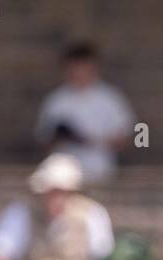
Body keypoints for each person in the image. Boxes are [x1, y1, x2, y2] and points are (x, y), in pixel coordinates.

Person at [34, 42, 134, 182]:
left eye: (84, 67)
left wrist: (93, 141)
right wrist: (60, 137)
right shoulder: (56, 101)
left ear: (94, 67)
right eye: (75, 67)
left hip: (100, 172)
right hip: (64, 177)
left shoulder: (110, 98)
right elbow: (43, 139)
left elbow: (126, 136)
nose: (79, 72)